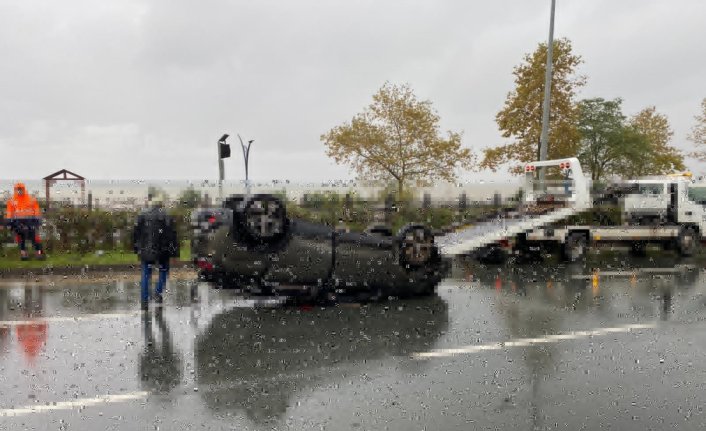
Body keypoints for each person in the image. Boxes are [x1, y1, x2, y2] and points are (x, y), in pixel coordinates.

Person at [132, 195, 179, 310]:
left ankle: (144, 299)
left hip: (145, 250)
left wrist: (136, 248)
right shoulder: (166, 215)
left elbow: (135, 233)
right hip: (163, 250)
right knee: (163, 271)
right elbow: (172, 236)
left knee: (145, 274)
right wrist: (174, 252)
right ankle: (158, 293)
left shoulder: (142, 214)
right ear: (161, 204)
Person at [5, 183, 45, 261]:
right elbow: (9, 212)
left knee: (34, 237)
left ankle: (39, 253)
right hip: (17, 221)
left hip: (30, 221)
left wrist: (37, 221)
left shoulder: (31, 199)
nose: (19, 191)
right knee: (20, 237)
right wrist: (9, 222)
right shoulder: (12, 200)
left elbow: (36, 210)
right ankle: (23, 254)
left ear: (24, 189)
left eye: (21, 189)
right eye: (18, 189)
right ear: (15, 190)